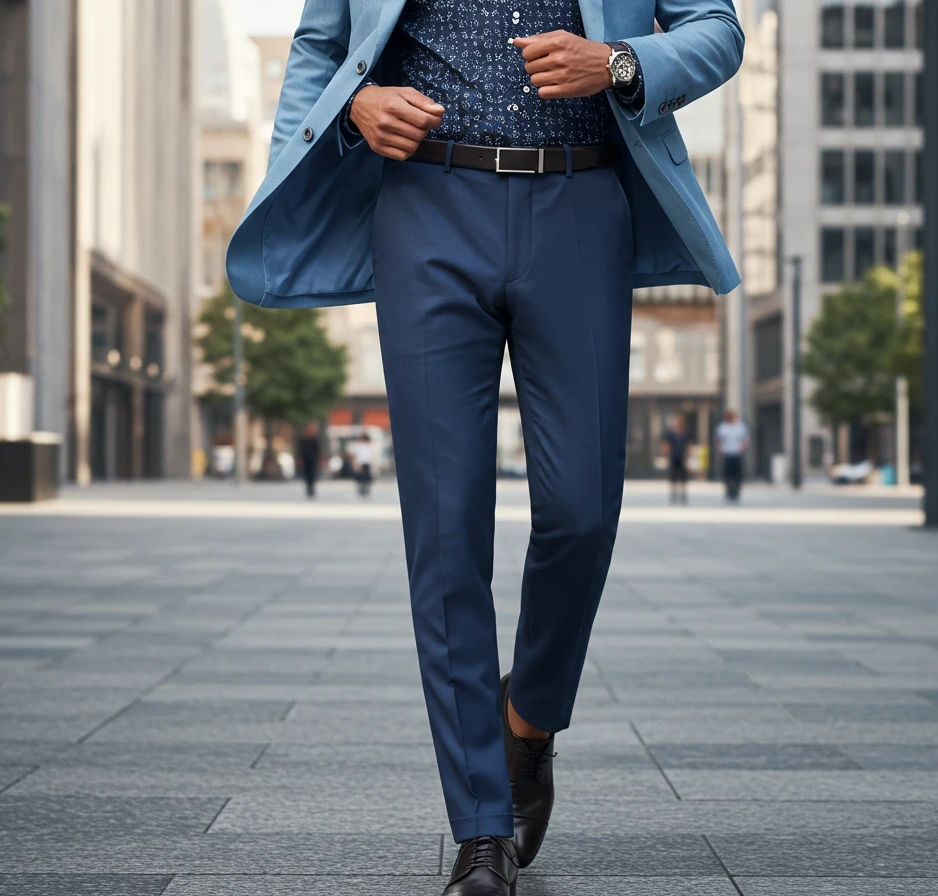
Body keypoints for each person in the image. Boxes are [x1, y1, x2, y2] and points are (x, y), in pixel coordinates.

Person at [226, 3, 743, 893]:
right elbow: (322, 44)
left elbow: (717, 30)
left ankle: (528, 719)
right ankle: (480, 829)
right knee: (445, 528)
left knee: (583, 509)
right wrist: (356, 108)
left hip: (582, 205)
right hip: (425, 209)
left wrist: (618, 62)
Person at [716, 409, 750, 502]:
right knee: (727, 475)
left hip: (737, 453)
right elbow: (719, 440)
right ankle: (728, 492)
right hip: (727, 454)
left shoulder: (740, 427)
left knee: (737, 475)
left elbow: (746, 439)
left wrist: (743, 447)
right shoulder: (723, 427)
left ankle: (736, 492)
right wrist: (721, 450)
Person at [662, 416, 693, 504]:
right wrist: (666, 454)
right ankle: (673, 494)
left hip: (682, 457)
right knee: (673, 477)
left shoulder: (686, 434)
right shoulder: (671, 434)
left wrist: (687, 456)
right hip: (673, 456)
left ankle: (683, 494)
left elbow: (688, 445)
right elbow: (666, 444)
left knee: (683, 477)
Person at [298, 421, 322, 498]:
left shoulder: (315, 439)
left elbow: (318, 450)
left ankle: (312, 489)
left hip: (313, 458)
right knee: (306, 474)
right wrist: (300, 459)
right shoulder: (303, 439)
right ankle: (308, 489)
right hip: (305, 459)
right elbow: (300, 450)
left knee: (312, 474)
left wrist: (319, 459)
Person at [352, 432, 376, 497]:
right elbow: (357, 455)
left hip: (366, 463)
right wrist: (356, 464)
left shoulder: (368, 446)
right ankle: (361, 491)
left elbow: (370, 455)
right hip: (361, 463)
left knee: (366, 478)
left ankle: (366, 490)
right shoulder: (360, 446)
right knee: (361, 477)